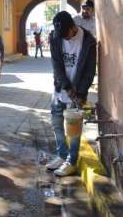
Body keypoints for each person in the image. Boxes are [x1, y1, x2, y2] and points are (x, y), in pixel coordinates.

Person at [46, 11, 96, 177]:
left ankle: (71, 161)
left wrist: (80, 93)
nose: (63, 38)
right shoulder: (55, 38)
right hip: (60, 89)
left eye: (65, 34)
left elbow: (89, 71)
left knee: (73, 130)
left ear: (73, 27)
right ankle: (61, 155)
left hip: (78, 93)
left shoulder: (88, 41)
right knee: (56, 123)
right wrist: (66, 87)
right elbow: (56, 66)